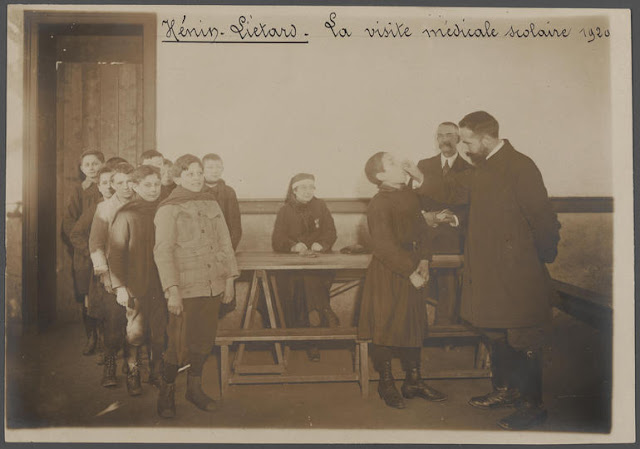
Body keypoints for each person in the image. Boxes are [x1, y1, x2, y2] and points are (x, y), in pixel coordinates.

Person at [413, 111, 561, 430]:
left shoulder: (520, 165)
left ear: (485, 138)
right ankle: (506, 391)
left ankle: (532, 405)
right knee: (497, 332)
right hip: (490, 270)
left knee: (523, 336)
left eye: (466, 141)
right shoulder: (482, 167)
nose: (463, 147)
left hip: (517, 272)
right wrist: (423, 181)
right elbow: (458, 196)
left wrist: (537, 260)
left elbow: (544, 218)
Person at [359, 152, 447, 409]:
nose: (402, 164)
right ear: (380, 176)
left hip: (413, 268)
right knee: (385, 327)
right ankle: (386, 383)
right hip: (390, 273)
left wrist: (425, 260)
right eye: (392, 163)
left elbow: (423, 231)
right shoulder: (379, 203)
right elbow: (384, 247)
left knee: (413, 324)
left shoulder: (410, 195)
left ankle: (414, 381)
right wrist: (410, 272)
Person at [154, 154, 239, 418]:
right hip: (185, 288)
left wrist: (229, 280)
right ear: (177, 177)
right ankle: (167, 392)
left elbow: (225, 242)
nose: (196, 177)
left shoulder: (211, 202)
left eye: (199, 172)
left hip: (213, 284)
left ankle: (194, 389)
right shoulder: (168, 208)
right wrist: (172, 290)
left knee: (203, 341)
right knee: (177, 345)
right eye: (189, 173)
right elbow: (163, 252)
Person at [407, 122, 473, 324]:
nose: (444, 139)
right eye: (440, 135)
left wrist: (452, 218)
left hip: (452, 237)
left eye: (450, 135)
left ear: (458, 139)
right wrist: (425, 217)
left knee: (448, 284)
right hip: (424, 233)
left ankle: (445, 333)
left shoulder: (470, 169)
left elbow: (470, 208)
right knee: (416, 279)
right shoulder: (424, 166)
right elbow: (410, 201)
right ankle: (416, 330)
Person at [108, 165, 166, 395]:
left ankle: (156, 371)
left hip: (162, 282)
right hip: (136, 284)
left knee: (160, 330)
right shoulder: (126, 214)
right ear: (134, 186)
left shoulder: (165, 209)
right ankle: (133, 372)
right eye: (147, 185)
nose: (153, 190)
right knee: (136, 331)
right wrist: (120, 286)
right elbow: (116, 254)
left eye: (157, 184)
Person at [271, 173, 338, 362]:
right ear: (294, 190)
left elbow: (331, 232)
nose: (309, 191)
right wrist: (293, 246)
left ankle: (312, 335)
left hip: (319, 265)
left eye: (312, 187)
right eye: (304, 187)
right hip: (293, 268)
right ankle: (322, 316)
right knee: (305, 281)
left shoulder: (321, 206)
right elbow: (278, 239)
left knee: (310, 279)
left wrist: (322, 244)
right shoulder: (285, 210)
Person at [89, 162, 135, 388]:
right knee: (114, 322)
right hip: (113, 275)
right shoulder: (104, 209)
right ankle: (110, 364)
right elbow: (95, 244)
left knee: (136, 324)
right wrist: (104, 275)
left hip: (138, 274)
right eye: (120, 183)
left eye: (129, 182)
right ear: (113, 185)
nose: (126, 187)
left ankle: (132, 366)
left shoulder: (143, 204)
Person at [62, 149, 105, 355]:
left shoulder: (108, 187)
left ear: (102, 165)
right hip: (85, 252)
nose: (92, 168)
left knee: (105, 292)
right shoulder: (79, 191)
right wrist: (84, 246)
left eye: (95, 163)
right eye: (87, 165)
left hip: (105, 248)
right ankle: (92, 337)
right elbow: (68, 222)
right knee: (88, 295)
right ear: (81, 169)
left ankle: (107, 338)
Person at [202, 153, 242, 250]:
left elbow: (235, 227)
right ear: (202, 170)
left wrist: (228, 250)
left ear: (222, 169)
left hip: (225, 249)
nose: (215, 171)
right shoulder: (196, 192)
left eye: (218, 167)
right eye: (210, 167)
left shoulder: (229, 192)